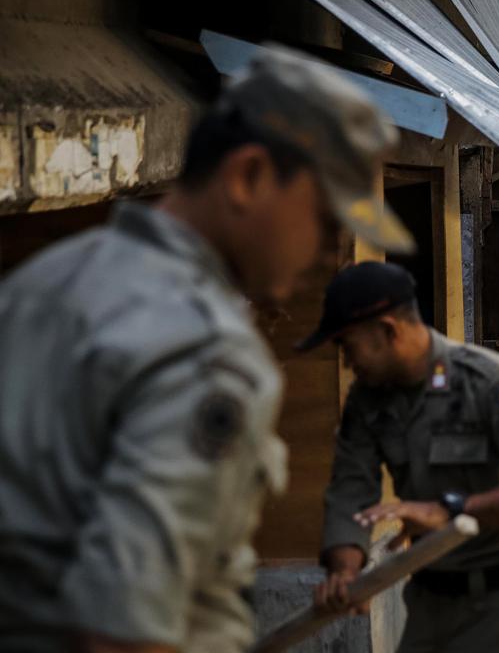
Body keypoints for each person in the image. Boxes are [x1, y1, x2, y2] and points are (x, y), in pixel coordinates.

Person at [0, 46, 413, 651]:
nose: (329, 251)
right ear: (248, 178)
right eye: (324, 220)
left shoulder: (41, 283)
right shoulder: (205, 349)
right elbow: (128, 627)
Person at [309, 262, 499, 653]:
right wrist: (346, 571)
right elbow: (351, 488)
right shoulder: (367, 400)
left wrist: (450, 511)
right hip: (427, 599)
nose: (348, 363)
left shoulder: (487, 380)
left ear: (388, 331)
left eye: (349, 347)